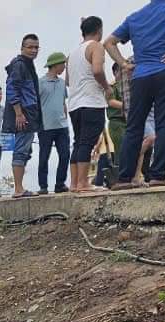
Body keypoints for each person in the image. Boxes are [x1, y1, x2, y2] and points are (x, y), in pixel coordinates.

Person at [104, 0, 165, 189]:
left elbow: (108, 42)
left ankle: (124, 178)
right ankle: (158, 175)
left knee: (134, 127)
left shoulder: (135, 17)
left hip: (140, 77)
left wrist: (124, 64)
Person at [68, 16, 112, 193]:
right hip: (91, 101)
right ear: (99, 30)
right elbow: (97, 70)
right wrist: (107, 87)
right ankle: (83, 183)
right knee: (87, 142)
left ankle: (74, 183)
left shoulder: (72, 54)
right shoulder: (96, 46)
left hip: (75, 104)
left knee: (78, 142)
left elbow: (68, 81)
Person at [4, 34, 43, 198]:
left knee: (26, 150)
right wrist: (19, 113)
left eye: (36, 47)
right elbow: (12, 88)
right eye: (30, 47)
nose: (33, 50)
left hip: (29, 112)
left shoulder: (28, 65)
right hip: (24, 113)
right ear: (22, 48)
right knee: (21, 150)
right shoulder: (20, 65)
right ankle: (18, 189)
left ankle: (20, 187)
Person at [38, 51, 71, 194]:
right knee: (44, 156)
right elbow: (35, 104)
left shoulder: (62, 83)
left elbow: (63, 102)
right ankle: (43, 186)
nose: (64, 67)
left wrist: (66, 118)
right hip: (45, 126)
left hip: (62, 126)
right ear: (55, 65)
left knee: (65, 155)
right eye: (62, 64)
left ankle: (60, 184)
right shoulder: (40, 83)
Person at [94, 62, 129, 188]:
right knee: (121, 151)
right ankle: (120, 179)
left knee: (129, 150)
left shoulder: (128, 86)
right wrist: (128, 106)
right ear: (115, 72)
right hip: (116, 122)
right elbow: (110, 101)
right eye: (121, 71)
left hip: (128, 122)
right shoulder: (111, 86)